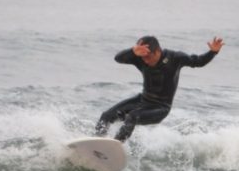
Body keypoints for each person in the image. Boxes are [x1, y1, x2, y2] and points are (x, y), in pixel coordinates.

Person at [96, 35, 224, 142]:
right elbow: (118, 59)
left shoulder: (175, 58)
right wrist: (132, 51)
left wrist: (213, 52)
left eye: (148, 57)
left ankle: (115, 146)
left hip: (160, 108)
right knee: (106, 116)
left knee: (132, 117)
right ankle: (96, 143)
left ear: (157, 51)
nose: (145, 61)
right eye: (142, 57)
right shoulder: (140, 58)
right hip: (143, 100)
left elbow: (198, 62)